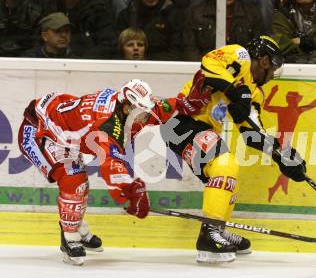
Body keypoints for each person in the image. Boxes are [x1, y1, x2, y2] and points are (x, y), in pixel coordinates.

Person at [17, 79, 210, 265]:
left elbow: (160, 108)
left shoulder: (128, 107)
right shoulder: (108, 126)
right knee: (74, 180)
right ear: (126, 106)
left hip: (61, 128)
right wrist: (133, 190)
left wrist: (185, 104)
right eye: (142, 112)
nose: (145, 116)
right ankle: (70, 237)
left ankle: (76, 226)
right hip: (38, 131)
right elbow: (111, 164)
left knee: (78, 180)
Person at [160, 35, 307, 264]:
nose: (272, 76)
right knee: (225, 163)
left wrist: (281, 156)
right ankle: (209, 236)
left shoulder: (255, 92)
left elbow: (252, 133)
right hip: (181, 121)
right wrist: (235, 91)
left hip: (200, 129)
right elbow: (209, 64)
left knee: (227, 176)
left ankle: (218, 228)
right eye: (274, 68)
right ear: (266, 61)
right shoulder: (241, 56)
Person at [182, 0, 264, 62]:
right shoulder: (196, 13)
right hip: (206, 68)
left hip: (241, 69)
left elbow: (256, 48)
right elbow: (189, 47)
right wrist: (204, 66)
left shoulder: (252, 14)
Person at [272, 0, 316, 64]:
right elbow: (280, 45)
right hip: (290, 67)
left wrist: (301, 42)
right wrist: (315, 43)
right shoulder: (282, 14)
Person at [117, 0, 183, 61]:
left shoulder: (173, 15)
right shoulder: (126, 15)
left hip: (163, 64)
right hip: (128, 65)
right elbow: (118, 48)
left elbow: (175, 49)